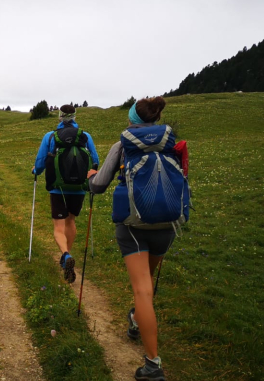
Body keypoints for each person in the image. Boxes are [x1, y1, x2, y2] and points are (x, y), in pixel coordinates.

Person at [87, 96, 183, 381]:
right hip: (167, 224)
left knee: (142, 290)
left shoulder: (123, 145)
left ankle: (152, 365)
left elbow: (100, 185)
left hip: (132, 227)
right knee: (146, 284)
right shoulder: (171, 144)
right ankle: (135, 318)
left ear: (132, 120)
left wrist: (91, 176)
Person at [32, 103, 99, 283]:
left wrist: (36, 172)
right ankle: (67, 256)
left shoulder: (51, 136)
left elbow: (40, 161)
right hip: (78, 187)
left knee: (58, 227)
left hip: (57, 187)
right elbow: (95, 160)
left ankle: (65, 255)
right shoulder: (85, 136)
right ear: (75, 116)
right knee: (71, 221)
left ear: (60, 116)